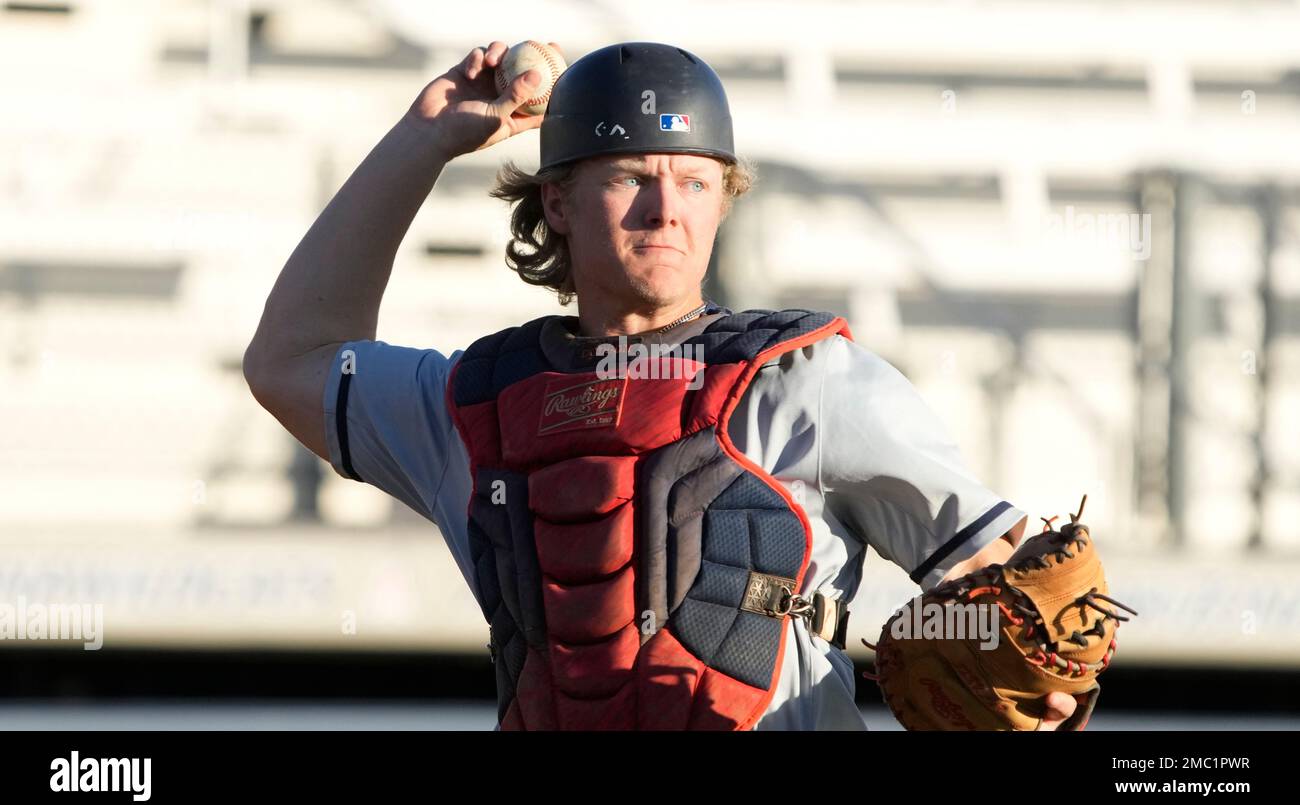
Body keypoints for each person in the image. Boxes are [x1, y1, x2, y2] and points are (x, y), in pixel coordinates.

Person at [243, 40, 1083, 730]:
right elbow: (290, 359)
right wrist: (424, 139)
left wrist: (1052, 698)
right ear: (559, 204)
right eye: (628, 176)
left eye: (694, 180)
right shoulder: (473, 404)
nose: (665, 207)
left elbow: (1021, 602)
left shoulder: (809, 381)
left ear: (724, 199)